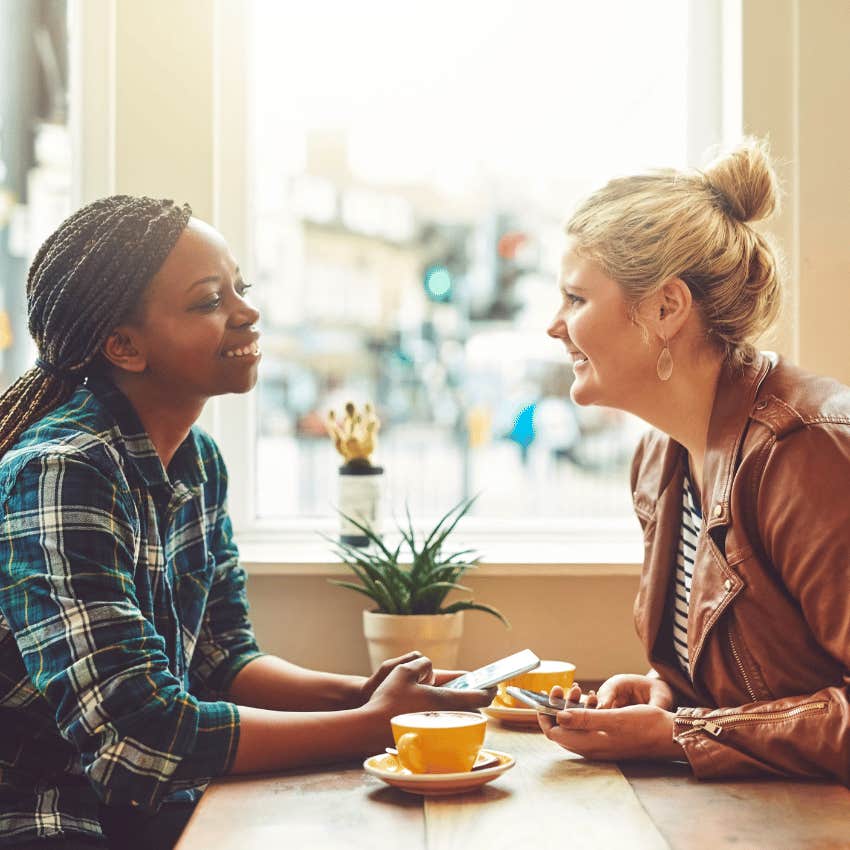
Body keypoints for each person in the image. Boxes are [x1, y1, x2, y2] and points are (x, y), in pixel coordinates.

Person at [0, 196, 492, 850]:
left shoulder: (197, 462)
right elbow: (139, 737)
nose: (247, 312)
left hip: (139, 809)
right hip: (39, 812)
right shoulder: (63, 471)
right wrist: (375, 726)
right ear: (124, 345)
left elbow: (221, 659)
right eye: (209, 300)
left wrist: (364, 695)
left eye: (242, 288)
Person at [541, 140, 850, 784]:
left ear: (665, 308)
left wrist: (681, 734)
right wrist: (668, 695)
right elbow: (754, 679)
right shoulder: (661, 455)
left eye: (575, 299)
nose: (555, 325)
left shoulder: (805, 451)